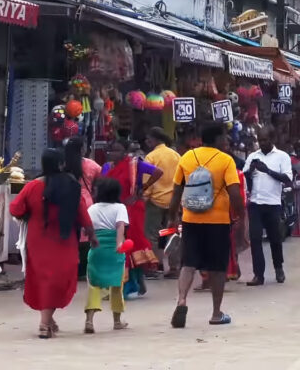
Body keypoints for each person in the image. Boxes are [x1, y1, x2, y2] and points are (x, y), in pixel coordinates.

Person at [10, 148, 95, 338]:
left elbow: (15, 209)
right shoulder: (71, 185)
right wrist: (93, 236)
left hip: (38, 238)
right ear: (61, 164)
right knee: (59, 280)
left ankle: (48, 320)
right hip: (65, 240)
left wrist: (30, 214)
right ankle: (44, 323)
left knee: (43, 279)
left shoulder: (32, 186)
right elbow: (82, 214)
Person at [169, 123, 244, 328]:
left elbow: (176, 191)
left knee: (188, 263)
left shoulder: (187, 157)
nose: (227, 141)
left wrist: (171, 217)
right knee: (217, 267)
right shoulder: (225, 160)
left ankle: (182, 299)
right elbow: (235, 193)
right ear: (218, 139)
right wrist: (241, 216)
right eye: (224, 138)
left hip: (191, 218)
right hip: (218, 221)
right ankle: (216, 313)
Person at [102, 139, 162, 297]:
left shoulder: (135, 165)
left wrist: (142, 189)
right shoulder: (107, 167)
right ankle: (133, 281)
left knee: (129, 246)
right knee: (116, 246)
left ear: (124, 151)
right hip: (113, 209)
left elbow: (158, 172)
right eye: (111, 150)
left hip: (132, 210)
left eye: (117, 150)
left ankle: (127, 286)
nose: (113, 153)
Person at [243, 127, 293, 286]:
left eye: (265, 140)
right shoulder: (253, 156)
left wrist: (268, 170)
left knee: (275, 238)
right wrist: (250, 172)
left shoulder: (282, 157)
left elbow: (287, 179)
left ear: (272, 139)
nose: (262, 143)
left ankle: (278, 268)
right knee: (255, 238)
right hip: (256, 203)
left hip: (273, 203)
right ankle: (258, 275)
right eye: (260, 140)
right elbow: (245, 178)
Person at [84, 178, 130, 333]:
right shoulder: (120, 207)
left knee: (94, 285)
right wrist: (118, 245)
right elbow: (120, 227)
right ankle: (117, 321)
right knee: (117, 286)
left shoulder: (92, 208)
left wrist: (93, 240)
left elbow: (87, 230)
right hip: (114, 250)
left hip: (96, 249)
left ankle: (89, 321)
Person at [143, 127, 181, 278]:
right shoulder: (176, 155)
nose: (147, 142)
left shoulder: (151, 157)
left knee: (152, 235)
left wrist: (145, 197)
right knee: (172, 233)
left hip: (155, 201)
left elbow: (148, 181)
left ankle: (154, 267)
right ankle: (174, 268)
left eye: (148, 139)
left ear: (155, 140)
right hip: (174, 201)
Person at [64, 137, 100, 279]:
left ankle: (69, 268)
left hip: (65, 201)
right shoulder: (91, 165)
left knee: (69, 235)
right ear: (82, 149)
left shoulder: (62, 164)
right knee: (85, 236)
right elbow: (100, 180)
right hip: (86, 201)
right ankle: (82, 270)